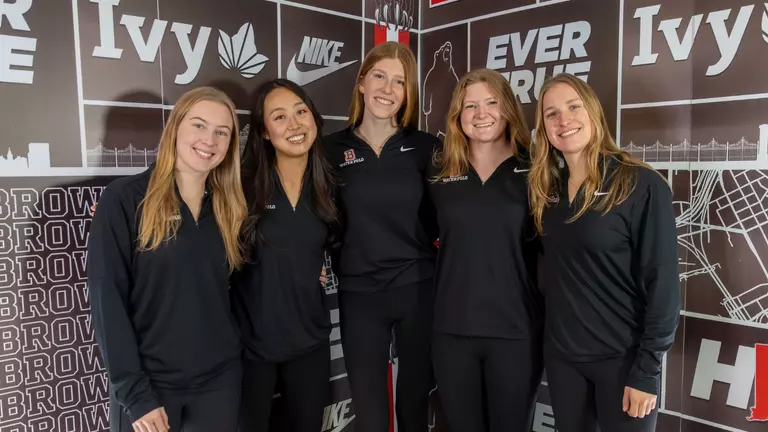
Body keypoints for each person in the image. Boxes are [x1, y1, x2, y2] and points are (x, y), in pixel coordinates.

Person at [87, 87, 247, 432]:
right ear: (175, 127)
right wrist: (135, 394)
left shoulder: (229, 207)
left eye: (223, 132)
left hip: (220, 382)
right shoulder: (124, 200)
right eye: (200, 126)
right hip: (151, 387)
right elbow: (107, 301)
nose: (210, 139)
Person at [528, 73, 680, 432]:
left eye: (573, 107)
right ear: (544, 128)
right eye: (551, 114)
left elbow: (664, 288)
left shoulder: (640, 184)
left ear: (593, 112)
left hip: (622, 362)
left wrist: (647, 371)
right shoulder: (545, 192)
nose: (564, 120)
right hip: (564, 361)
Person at [324, 41, 440, 431]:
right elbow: (315, 217)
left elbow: (454, 215)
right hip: (359, 295)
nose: (387, 89)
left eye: (399, 82)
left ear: (408, 94)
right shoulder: (328, 150)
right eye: (379, 76)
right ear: (361, 82)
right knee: (370, 413)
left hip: (417, 288)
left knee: (413, 406)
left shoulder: (426, 147)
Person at [427, 68, 543, 431]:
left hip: (516, 332)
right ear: (457, 118)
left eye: (491, 103)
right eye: (470, 106)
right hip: (452, 332)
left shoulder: (536, 169)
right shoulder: (439, 172)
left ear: (507, 108)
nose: (481, 114)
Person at [231, 78, 341, 431]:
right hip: (251, 347)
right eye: (279, 117)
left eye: (301, 112)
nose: (294, 124)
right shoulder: (241, 185)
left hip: (309, 342)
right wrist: (122, 205)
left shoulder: (328, 186)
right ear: (263, 132)